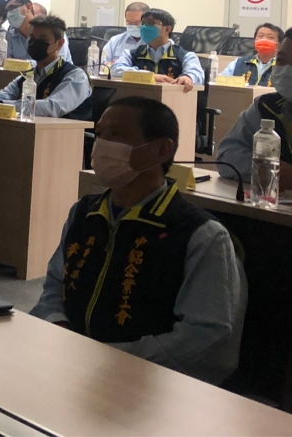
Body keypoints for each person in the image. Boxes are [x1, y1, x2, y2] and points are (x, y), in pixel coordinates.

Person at [31, 97, 245, 385]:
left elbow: (206, 336)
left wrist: (108, 360)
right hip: (69, 369)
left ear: (162, 149)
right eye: (100, 133)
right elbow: (55, 286)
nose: (102, 145)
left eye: (115, 135)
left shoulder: (201, 235)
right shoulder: (84, 212)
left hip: (148, 386)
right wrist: (59, 330)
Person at [0, 16, 93, 119]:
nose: (35, 43)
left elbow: (52, 107)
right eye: (32, 38)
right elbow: (5, 95)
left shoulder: (75, 76)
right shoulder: (28, 75)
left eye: (43, 39)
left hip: (66, 138)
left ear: (59, 44)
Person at [216, 31, 292, 188]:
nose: (286, 69)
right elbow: (227, 155)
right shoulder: (266, 106)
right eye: (281, 60)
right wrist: (270, 170)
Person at [110, 8, 203, 91]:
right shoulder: (131, 54)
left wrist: (187, 77)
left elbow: (197, 73)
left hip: (171, 100)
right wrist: (149, 76)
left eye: (151, 23)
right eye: (143, 23)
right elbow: (115, 70)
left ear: (167, 29)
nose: (144, 27)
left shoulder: (185, 55)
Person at [0, 0, 72, 67]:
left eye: (12, 8)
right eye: (7, 11)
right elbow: (1, 56)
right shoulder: (11, 34)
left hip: (56, 77)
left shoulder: (51, 31)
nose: (9, 14)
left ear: (28, 7)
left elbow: (57, 63)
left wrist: (23, 63)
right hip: (21, 77)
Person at [103, 2, 150, 69]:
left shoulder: (155, 42)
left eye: (137, 23)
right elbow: (103, 65)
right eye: (129, 23)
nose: (133, 26)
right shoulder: (115, 41)